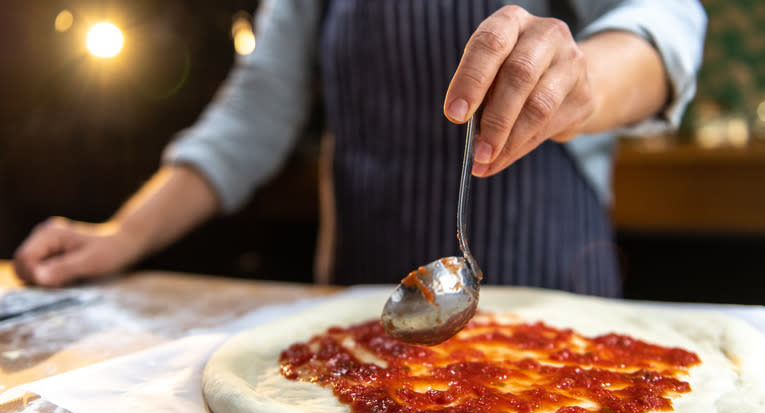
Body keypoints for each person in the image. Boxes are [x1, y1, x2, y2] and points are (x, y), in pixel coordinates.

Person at [13, 0, 707, 297]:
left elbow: (664, 26)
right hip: (361, 307)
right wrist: (123, 234)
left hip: (556, 301)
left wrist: (581, 77)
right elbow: (256, 109)